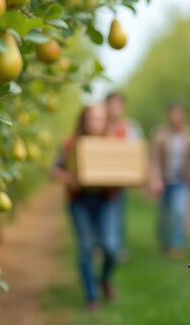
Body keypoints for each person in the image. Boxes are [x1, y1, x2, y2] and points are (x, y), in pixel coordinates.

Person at [51, 104, 120, 310]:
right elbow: (54, 170)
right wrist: (68, 178)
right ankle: (91, 296)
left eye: (100, 119)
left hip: (105, 200)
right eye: (91, 118)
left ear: (105, 122)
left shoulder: (112, 145)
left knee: (110, 247)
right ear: (83, 120)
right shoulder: (71, 144)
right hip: (79, 201)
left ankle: (104, 279)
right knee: (86, 246)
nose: (95, 123)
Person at [148, 103, 190, 258]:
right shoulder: (160, 135)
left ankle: (178, 245)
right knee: (165, 215)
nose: (176, 117)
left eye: (179, 114)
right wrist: (155, 178)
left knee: (180, 213)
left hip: (183, 182)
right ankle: (165, 241)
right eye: (173, 114)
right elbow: (153, 159)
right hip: (164, 181)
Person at [104, 91, 143, 261]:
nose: (114, 109)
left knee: (117, 212)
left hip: (118, 182)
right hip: (100, 180)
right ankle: (105, 247)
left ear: (122, 107)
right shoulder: (100, 125)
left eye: (117, 105)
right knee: (103, 214)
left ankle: (117, 247)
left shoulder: (130, 127)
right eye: (111, 105)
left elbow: (136, 151)